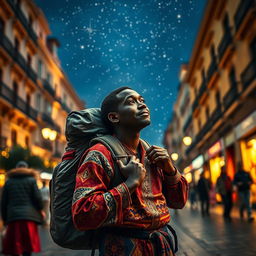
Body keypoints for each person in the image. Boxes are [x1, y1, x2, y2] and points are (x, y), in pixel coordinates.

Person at [72, 87, 188, 256]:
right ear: (114, 117)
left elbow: (179, 202)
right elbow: (82, 214)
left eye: (142, 100)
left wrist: (170, 169)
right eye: (132, 102)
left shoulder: (152, 154)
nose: (142, 105)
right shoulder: (99, 154)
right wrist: (130, 184)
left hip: (162, 246)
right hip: (123, 249)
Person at [1, 161, 44, 256]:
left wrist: (5, 220)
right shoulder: (32, 180)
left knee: (15, 246)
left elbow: (4, 203)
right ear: (27, 169)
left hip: (13, 217)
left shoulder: (8, 182)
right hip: (29, 218)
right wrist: (41, 210)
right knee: (27, 247)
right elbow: (37, 198)